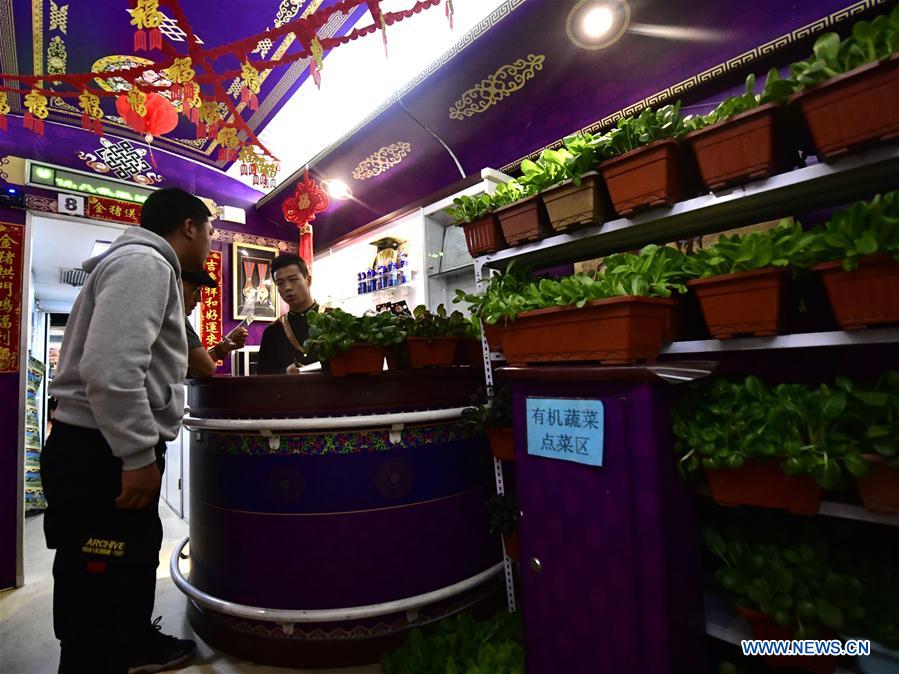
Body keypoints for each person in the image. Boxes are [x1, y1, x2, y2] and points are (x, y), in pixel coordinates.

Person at [41, 187, 213, 674]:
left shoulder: (140, 263)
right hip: (102, 451)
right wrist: (137, 454)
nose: (207, 244)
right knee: (98, 575)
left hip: (103, 444)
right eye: (209, 233)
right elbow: (111, 369)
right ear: (189, 227)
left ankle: (131, 644)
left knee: (127, 561)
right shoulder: (146, 264)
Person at [257, 253, 320, 374]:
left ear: (308, 280)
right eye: (280, 283)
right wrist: (286, 372)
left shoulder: (334, 319)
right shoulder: (273, 331)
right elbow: (263, 377)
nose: (287, 288)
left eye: (293, 279)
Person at [181, 268, 247, 378]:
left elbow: (195, 370)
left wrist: (223, 348)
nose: (199, 299)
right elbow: (206, 368)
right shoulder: (175, 314)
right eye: (195, 289)